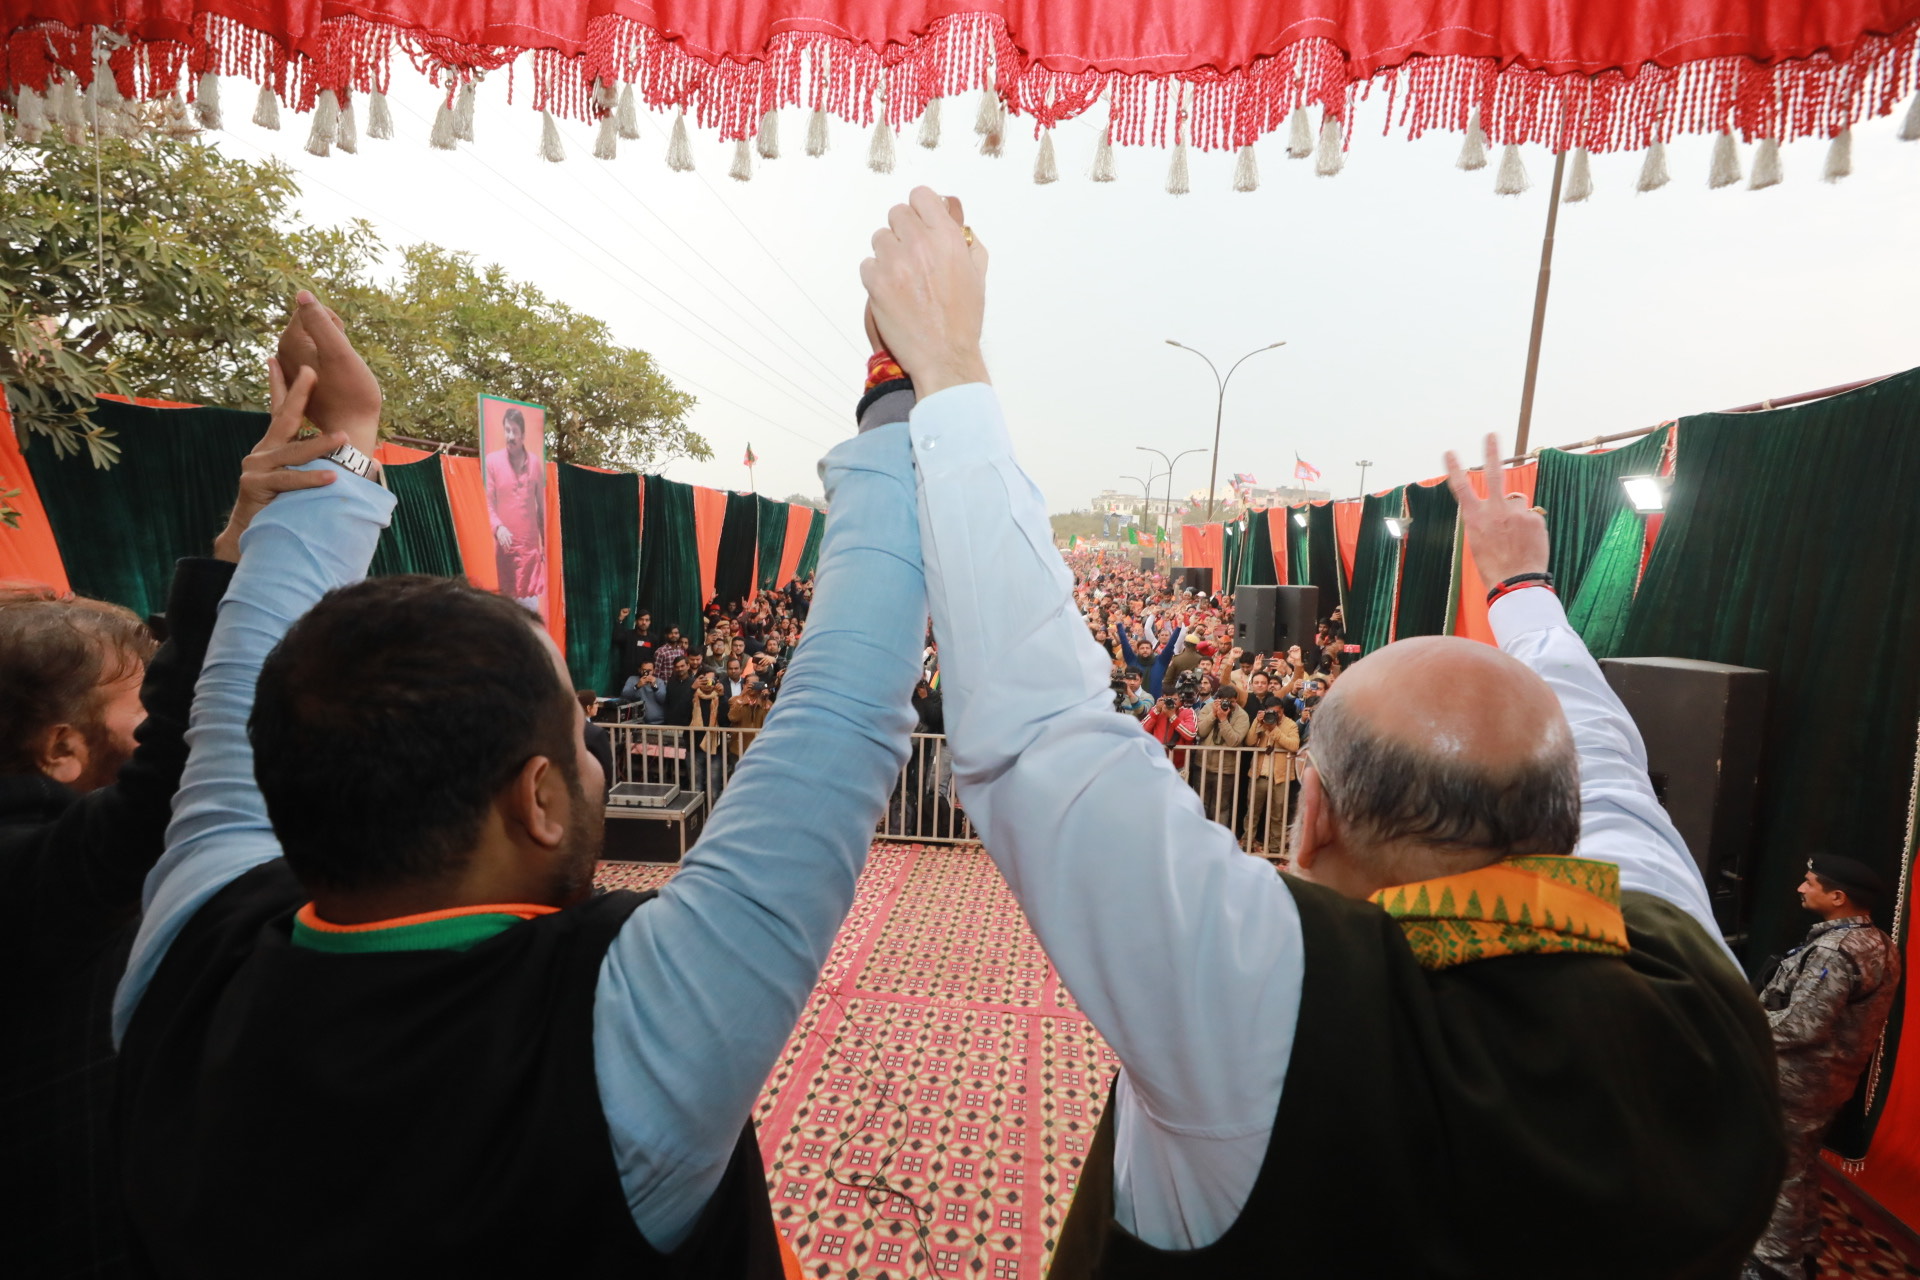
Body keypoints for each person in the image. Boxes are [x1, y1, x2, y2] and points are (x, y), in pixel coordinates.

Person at [862, 189, 1781, 1278]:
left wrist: (942, 362)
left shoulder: (1272, 1001)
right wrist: (1525, 583)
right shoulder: (1702, 994)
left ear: (1315, 812)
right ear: (1566, 825)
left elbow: (1039, 728)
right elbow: (1622, 777)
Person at [109, 295, 931, 1277]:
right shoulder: (624, 1035)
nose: (595, 760)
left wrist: (337, 458)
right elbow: (840, 708)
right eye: (579, 744)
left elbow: (235, 689)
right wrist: (906, 374)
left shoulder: (190, 950)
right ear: (536, 798)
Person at [0, 334, 339, 1277]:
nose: (154, 709)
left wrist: (242, 532)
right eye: (132, 696)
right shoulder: (29, 877)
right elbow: (173, 770)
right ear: (61, 747)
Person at [1746, 855, 1902, 1280]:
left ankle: (1773, 1264)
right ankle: (1806, 1243)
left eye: (1810, 882)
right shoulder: (1880, 943)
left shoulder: (1836, 950)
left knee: (1779, 1168)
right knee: (1801, 1164)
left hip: (1799, 1080)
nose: (1801, 888)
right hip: (1829, 1080)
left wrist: (1741, 1023)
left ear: (1837, 897)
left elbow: (1803, 1026)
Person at [485, 406, 546, 612]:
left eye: (514, 431)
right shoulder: (492, 461)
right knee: (507, 612)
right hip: (506, 551)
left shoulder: (536, 464)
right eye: (507, 430)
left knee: (530, 614)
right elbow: (488, 503)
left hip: (530, 553)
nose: (510, 436)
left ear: (523, 435)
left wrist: (545, 545)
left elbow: (542, 508)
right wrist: (498, 527)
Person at [1191, 683, 1248, 826]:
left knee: (1221, 808)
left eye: (1232, 702)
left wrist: (1223, 720)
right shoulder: (1208, 708)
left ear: (1236, 700)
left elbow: (1233, 741)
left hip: (1226, 769)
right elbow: (1200, 732)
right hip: (1203, 765)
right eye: (1224, 701)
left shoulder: (1242, 715)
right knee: (1200, 805)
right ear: (1218, 699)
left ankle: (1219, 842)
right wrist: (1213, 715)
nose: (1228, 704)